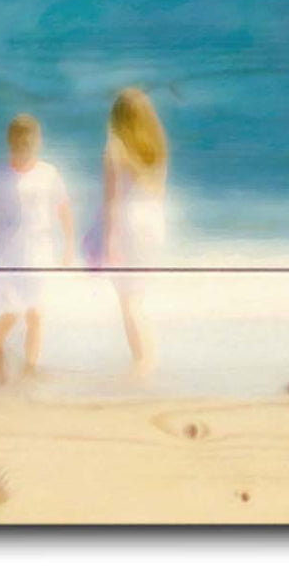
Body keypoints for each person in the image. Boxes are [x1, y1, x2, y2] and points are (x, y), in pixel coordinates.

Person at [0, 114, 74, 382]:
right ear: (10, 143)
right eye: (18, 143)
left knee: (36, 313)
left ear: (37, 142)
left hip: (39, 252)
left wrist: (68, 245)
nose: (23, 148)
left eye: (29, 142)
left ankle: (31, 368)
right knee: (11, 312)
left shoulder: (48, 173)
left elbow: (63, 209)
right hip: (7, 252)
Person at [99, 88, 168, 376]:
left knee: (128, 301)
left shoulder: (115, 149)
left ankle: (142, 363)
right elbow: (158, 193)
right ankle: (146, 357)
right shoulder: (155, 148)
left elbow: (112, 202)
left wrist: (109, 240)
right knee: (136, 298)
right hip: (153, 222)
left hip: (128, 224)